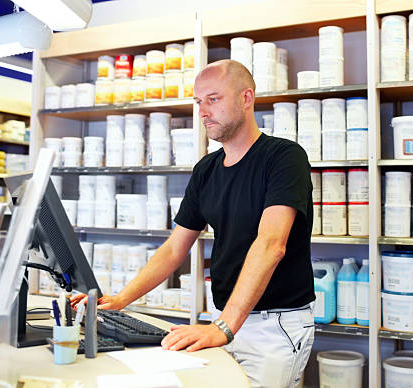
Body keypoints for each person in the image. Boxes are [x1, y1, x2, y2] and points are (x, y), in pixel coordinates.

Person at [72, 59, 315, 388]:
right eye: (198, 102)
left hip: (274, 326)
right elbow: (175, 248)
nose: (203, 111)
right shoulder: (207, 169)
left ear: (246, 98)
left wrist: (224, 328)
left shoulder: (284, 157)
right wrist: (119, 300)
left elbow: (271, 245)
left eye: (213, 99)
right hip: (223, 318)